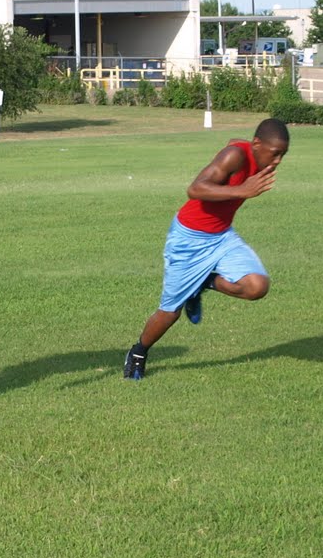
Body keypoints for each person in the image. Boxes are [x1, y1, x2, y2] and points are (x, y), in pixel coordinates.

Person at [122, 118, 290, 380]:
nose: (278, 160)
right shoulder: (235, 156)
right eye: (275, 153)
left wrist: (242, 185)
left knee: (257, 287)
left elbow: (234, 141)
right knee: (170, 312)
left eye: (283, 155)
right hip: (188, 241)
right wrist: (242, 190)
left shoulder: (251, 154)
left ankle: (203, 283)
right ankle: (139, 351)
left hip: (222, 237)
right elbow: (195, 189)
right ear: (257, 144)